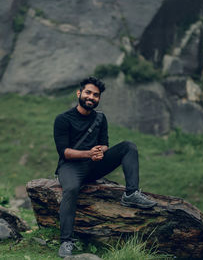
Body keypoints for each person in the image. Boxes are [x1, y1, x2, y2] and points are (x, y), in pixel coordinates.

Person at [53, 77, 157, 258]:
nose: (91, 97)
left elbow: (104, 144)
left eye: (95, 95)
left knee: (128, 146)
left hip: (94, 166)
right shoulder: (63, 119)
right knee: (70, 189)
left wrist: (100, 152)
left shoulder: (100, 118)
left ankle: (131, 194)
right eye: (88, 93)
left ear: (99, 99)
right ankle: (66, 242)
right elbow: (65, 152)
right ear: (79, 93)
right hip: (71, 167)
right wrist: (88, 153)